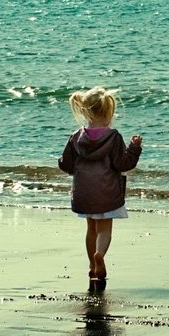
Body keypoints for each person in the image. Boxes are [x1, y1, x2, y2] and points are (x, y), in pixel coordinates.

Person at [58, 87, 142, 288]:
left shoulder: (76, 137)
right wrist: (134, 148)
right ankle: (100, 255)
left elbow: (66, 165)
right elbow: (123, 164)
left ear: (86, 112)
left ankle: (92, 266)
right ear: (108, 113)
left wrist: (67, 164)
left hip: (84, 193)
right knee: (104, 229)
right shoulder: (113, 137)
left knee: (91, 229)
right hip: (107, 193)